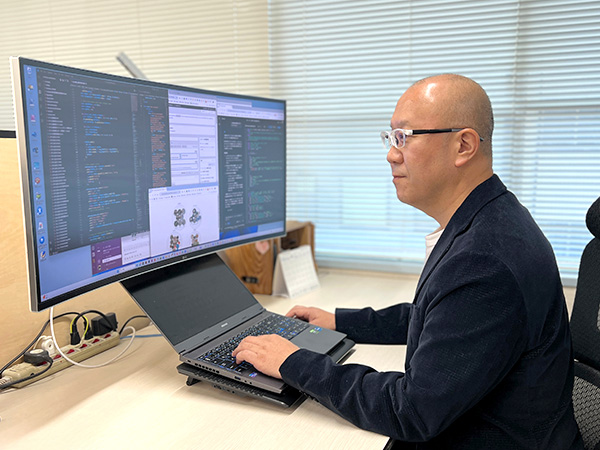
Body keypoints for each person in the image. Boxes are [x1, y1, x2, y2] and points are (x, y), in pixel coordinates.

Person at [232, 74, 584, 449]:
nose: (391, 154)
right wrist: (341, 321)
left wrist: (293, 362)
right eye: (390, 137)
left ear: (463, 145)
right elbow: (441, 317)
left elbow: (412, 411)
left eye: (404, 136)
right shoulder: (492, 219)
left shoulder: (484, 259)